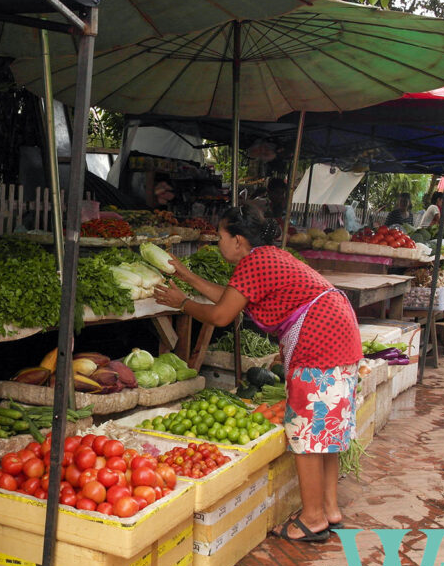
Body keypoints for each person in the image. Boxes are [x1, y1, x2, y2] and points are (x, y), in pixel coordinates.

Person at [153, 205, 363, 542]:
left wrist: (182, 303)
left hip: (321, 339)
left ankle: (312, 519)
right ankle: (329, 509)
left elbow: (222, 315)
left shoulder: (256, 262)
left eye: (219, 236)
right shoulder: (264, 258)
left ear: (237, 240)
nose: (216, 242)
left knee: (306, 433)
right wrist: (187, 278)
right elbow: (229, 299)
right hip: (338, 331)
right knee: (325, 429)